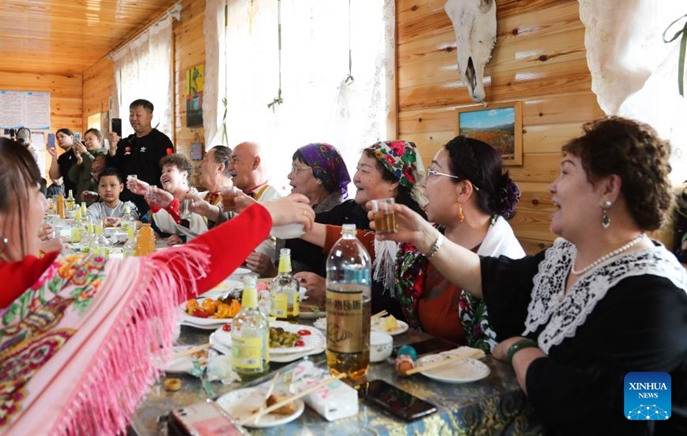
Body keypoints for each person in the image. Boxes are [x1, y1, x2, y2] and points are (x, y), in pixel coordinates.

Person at [0, 134, 313, 434]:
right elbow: (182, 271)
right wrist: (265, 216)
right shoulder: (52, 290)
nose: (42, 206)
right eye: (34, 194)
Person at [376, 117, 687, 435]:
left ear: (609, 188)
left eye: (565, 171)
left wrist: (519, 351)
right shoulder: (567, 257)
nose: (553, 186)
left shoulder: (658, 297)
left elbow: (629, 414)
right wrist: (423, 235)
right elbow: (491, 277)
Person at [395, 135, 523, 348]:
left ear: (463, 190)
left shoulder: (504, 259)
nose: (423, 184)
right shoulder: (429, 236)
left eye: (433, 173)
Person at [293, 140, 427, 318]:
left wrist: (329, 288)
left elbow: (388, 294)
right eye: (357, 169)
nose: (356, 177)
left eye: (364, 171)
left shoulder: (405, 218)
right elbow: (308, 232)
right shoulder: (350, 210)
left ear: (393, 182)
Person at [258, 142, 351, 277]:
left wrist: (272, 272)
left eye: (297, 169)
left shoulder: (338, 215)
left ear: (319, 177)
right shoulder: (295, 207)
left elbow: (321, 275)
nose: (290, 175)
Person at [191, 141, 282, 276]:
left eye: (235, 161)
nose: (230, 167)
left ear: (255, 163)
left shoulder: (275, 199)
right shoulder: (234, 196)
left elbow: (270, 248)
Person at [107, 99, 174, 215]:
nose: (133, 118)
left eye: (138, 115)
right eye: (131, 114)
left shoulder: (161, 141)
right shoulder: (125, 142)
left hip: (150, 202)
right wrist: (112, 149)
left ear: (150, 116)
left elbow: (169, 172)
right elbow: (113, 169)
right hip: (124, 202)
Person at [131, 153, 206, 246]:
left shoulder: (200, 199)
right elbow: (157, 228)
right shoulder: (163, 203)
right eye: (162, 172)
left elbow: (202, 233)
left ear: (184, 175)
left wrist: (183, 239)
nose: (163, 175)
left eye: (169, 170)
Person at [68, 128, 107, 203]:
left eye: (90, 139)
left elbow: (95, 167)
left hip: (95, 199)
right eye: (85, 140)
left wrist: (85, 153)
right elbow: (72, 177)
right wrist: (79, 161)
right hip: (80, 198)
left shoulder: (104, 154)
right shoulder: (84, 156)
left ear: (99, 140)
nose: (87, 142)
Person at [45, 128, 77, 195]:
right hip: (70, 193)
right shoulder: (62, 157)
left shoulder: (79, 150)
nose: (59, 139)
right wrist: (54, 156)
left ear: (71, 137)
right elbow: (55, 176)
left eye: (62, 136)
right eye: (57, 138)